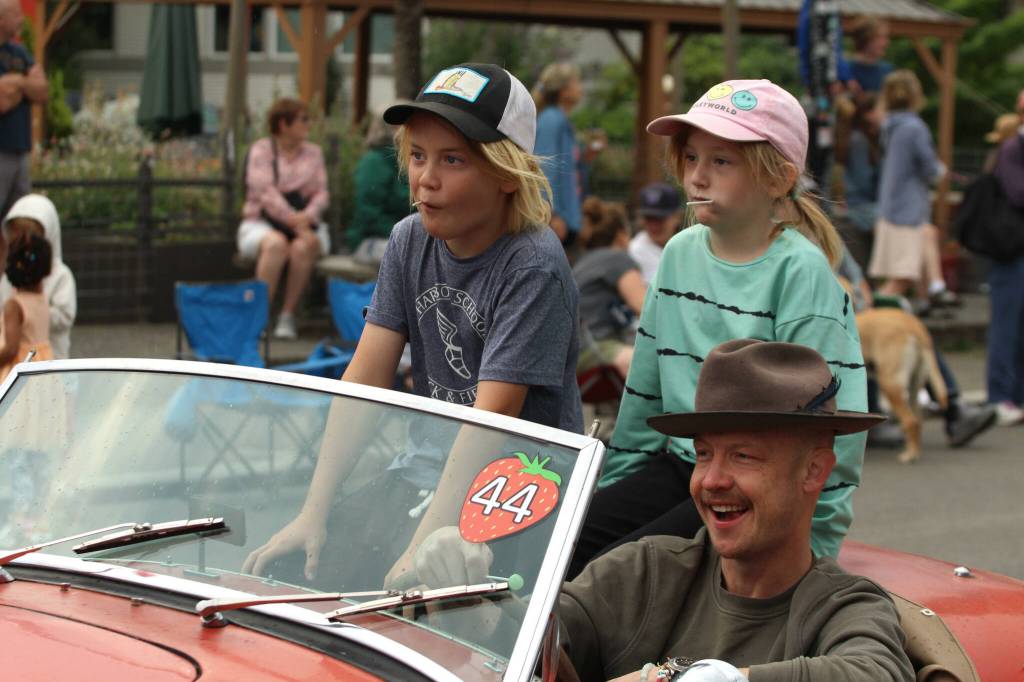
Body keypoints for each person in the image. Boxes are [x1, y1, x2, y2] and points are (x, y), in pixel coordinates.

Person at [242, 63, 583, 587]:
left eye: (453, 159)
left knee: (431, 621)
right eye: (418, 156)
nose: (426, 178)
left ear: (505, 174)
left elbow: (490, 420)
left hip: (514, 489)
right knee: (297, 572)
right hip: (422, 469)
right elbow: (364, 379)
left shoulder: (532, 264)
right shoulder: (409, 240)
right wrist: (313, 511)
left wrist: (423, 543)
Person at [568, 79, 867, 580]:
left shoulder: (800, 272)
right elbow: (645, 388)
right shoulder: (679, 254)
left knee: (612, 578)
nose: (697, 178)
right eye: (690, 159)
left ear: (778, 179)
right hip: (680, 466)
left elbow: (837, 418)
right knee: (558, 550)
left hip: (758, 488)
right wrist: (618, 486)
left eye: (721, 162)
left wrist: (815, 539)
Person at [558, 339, 914, 682]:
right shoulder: (644, 571)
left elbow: (875, 673)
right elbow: (531, 632)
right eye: (703, 454)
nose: (711, 480)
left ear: (814, 470)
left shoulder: (843, 607)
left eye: (743, 456)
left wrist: (705, 678)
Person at [239, 97, 329, 340]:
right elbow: (265, 193)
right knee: (276, 244)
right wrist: (295, 221)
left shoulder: (314, 153)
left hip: (307, 225)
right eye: (303, 119)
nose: (308, 124)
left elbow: (321, 193)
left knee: (303, 247)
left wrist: (306, 218)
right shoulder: (261, 150)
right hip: (261, 222)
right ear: (283, 124)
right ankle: (258, 318)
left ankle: (287, 316)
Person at [868, 70, 949, 305]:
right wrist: (940, 171)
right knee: (902, 279)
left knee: (925, 240)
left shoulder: (889, 126)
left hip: (889, 207)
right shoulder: (915, 127)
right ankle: (869, 318)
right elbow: (930, 169)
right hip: (907, 212)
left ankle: (935, 286)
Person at [574, 197, 646, 379]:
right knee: (652, 362)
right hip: (594, 348)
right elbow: (645, 309)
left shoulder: (583, 261)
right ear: (621, 234)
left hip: (572, 354)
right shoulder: (617, 259)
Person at [986, 89, 1024, 427]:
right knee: (1006, 326)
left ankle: (1017, 394)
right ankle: (999, 396)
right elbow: (1017, 193)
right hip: (1011, 251)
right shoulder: (1013, 148)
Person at [0, 194, 77, 359]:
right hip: (24, 359)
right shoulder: (10, 274)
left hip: (52, 356)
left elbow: (65, 316)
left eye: (31, 233)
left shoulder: (61, 275)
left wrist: (28, 315)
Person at [533, 62, 600, 246]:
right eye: (576, 82)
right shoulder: (552, 120)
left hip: (567, 217)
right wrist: (552, 214)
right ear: (564, 91)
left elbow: (567, 169)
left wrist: (586, 158)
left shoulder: (559, 119)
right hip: (557, 220)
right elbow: (545, 167)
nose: (581, 88)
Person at [0, 0, 46, 221]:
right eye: (16, 14)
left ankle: (11, 258)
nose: (22, 19)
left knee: (19, 221)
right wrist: (26, 83)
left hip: (20, 151)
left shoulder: (20, 52)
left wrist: (15, 82)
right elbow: (1, 102)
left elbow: (43, 92)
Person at [345, 109, 410, 255]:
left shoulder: (410, 160)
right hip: (370, 239)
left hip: (405, 236)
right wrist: (407, 234)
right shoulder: (373, 162)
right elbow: (368, 214)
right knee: (412, 255)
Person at [0, 232, 52, 379]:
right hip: (43, 367)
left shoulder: (14, 305)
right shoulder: (42, 299)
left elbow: (11, 349)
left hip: (20, 371)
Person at [629, 182, 682, 283]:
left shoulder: (689, 243)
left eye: (660, 218)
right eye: (649, 218)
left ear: (677, 216)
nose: (654, 225)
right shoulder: (636, 250)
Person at [847, 16, 893, 94]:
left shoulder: (888, 71)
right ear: (865, 38)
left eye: (886, 38)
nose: (886, 43)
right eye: (880, 37)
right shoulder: (846, 70)